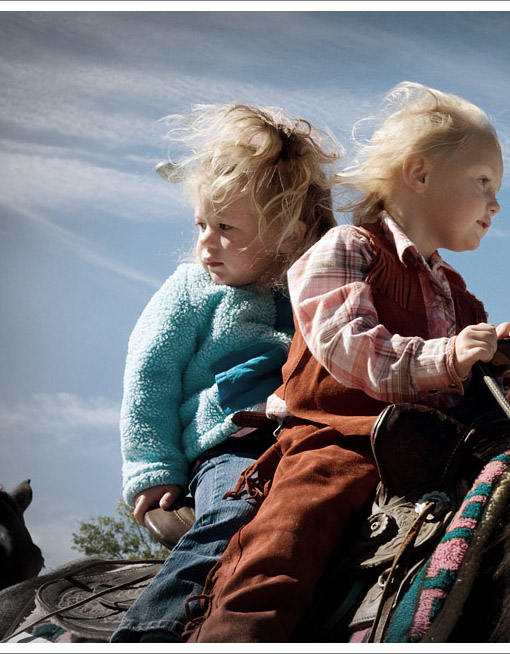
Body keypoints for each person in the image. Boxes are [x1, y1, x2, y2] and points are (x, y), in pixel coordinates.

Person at [183, 82, 510, 643]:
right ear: (419, 173)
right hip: (336, 442)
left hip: (431, 452)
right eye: (483, 182)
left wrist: (503, 368)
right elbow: (350, 349)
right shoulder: (345, 249)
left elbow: (468, 401)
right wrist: (448, 354)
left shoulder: (462, 298)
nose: (495, 203)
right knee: (281, 555)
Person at [110, 102, 339, 643]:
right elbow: (150, 379)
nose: (205, 243)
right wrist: (151, 470)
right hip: (232, 445)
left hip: (310, 441)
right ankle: (151, 631)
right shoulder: (192, 290)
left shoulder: (318, 291)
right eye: (202, 225)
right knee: (240, 516)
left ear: (289, 233)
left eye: (225, 228)